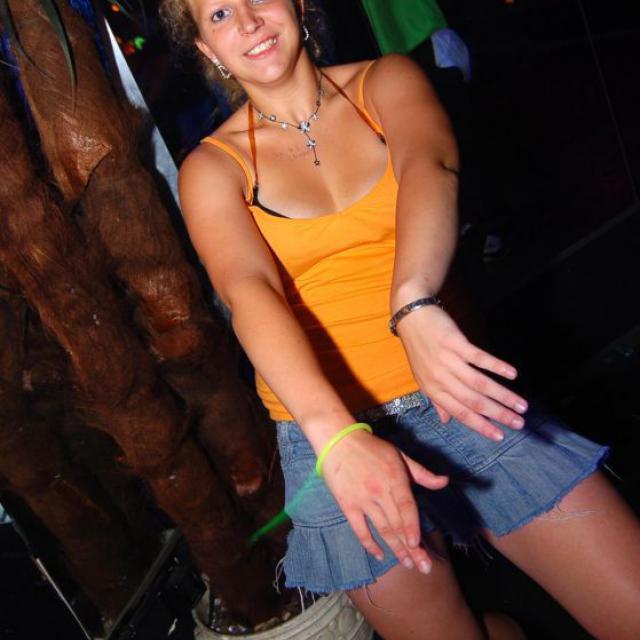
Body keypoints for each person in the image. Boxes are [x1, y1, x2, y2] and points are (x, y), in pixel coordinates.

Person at [159, 1, 640, 638]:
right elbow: (249, 292)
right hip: (327, 429)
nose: (247, 21)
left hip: (458, 397)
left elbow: (430, 169)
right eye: (219, 13)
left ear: (299, 4)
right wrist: (336, 438)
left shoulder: (385, 82)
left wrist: (412, 304)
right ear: (205, 49)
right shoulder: (212, 168)